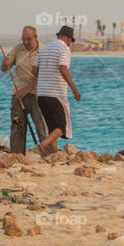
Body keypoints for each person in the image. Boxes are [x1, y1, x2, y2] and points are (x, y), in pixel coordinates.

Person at [32, 25, 81, 154]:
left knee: (51, 129)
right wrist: (74, 90)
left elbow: (34, 70)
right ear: (68, 39)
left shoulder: (45, 49)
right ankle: (42, 145)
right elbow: (63, 68)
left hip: (41, 94)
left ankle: (52, 156)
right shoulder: (64, 49)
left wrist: (44, 78)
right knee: (61, 127)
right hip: (56, 94)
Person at [1, 26, 46, 155]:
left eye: (28, 39)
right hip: (18, 94)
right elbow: (4, 68)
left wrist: (29, 88)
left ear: (36, 38)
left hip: (37, 94)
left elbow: (45, 75)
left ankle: (47, 154)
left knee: (41, 126)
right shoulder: (17, 49)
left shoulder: (43, 51)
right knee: (17, 126)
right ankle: (17, 156)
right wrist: (5, 63)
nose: (25, 42)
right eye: (23, 39)